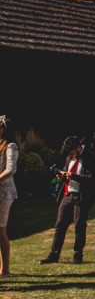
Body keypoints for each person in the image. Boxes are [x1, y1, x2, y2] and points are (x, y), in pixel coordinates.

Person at [40, 135, 95, 264]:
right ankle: (54, 255)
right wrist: (62, 176)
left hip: (82, 196)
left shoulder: (90, 158)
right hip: (68, 194)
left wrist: (74, 176)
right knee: (60, 224)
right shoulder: (68, 158)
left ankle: (78, 255)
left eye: (72, 153)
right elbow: (67, 172)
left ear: (78, 148)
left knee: (79, 225)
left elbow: (92, 179)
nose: (71, 156)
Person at [0, 115, 17, 276]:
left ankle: (5, 269)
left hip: (4, 193)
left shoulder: (10, 146)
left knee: (1, 230)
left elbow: (10, 169)